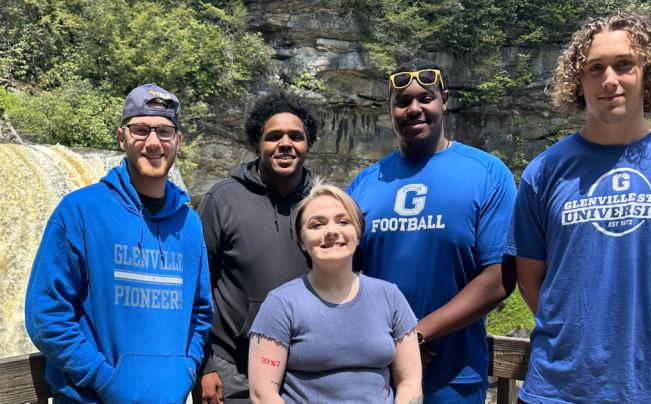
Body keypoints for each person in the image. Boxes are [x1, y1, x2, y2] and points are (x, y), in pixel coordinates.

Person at [505, 11, 651, 403]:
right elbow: (530, 279)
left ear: (647, 74)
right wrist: (574, 327)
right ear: (578, 82)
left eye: (624, 65)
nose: (609, 79)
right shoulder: (544, 170)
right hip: (559, 388)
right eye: (595, 68)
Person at [25, 83, 213, 403]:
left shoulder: (189, 224)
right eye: (141, 129)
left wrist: (187, 367)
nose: (153, 142)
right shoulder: (80, 211)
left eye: (165, 131)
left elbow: (200, 311)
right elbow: (46, 314)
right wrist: (104, 377)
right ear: (122, 136)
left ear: (178, 141)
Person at [346, 60, 517, 402]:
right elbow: (343, 274)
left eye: (425, 98)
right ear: (390, 110)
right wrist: (382, 341)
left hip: (454, 376)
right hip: (377, 375)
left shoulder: (487, 174)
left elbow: (499, 277)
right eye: (402, 101)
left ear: (445, 101)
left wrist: (415, 337)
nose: (414, 109)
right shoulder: (365, 183)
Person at [248, 184, 422, 403]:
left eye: (343, 222)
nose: (331, 231)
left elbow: (410, 382)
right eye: (317, 224)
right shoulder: (281, 304)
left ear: (358, 234)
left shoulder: (390, 297)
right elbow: (263, 394)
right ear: (301, 241)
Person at [197, 91, 318, 403]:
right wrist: (205, 366)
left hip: (304, 370)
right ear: (257, 143)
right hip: (233, 372)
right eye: (273, 136)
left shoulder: (322, 205)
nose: (285, 144)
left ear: (308, 144)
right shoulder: (222, 199)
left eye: (296, 136)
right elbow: (196, 287)